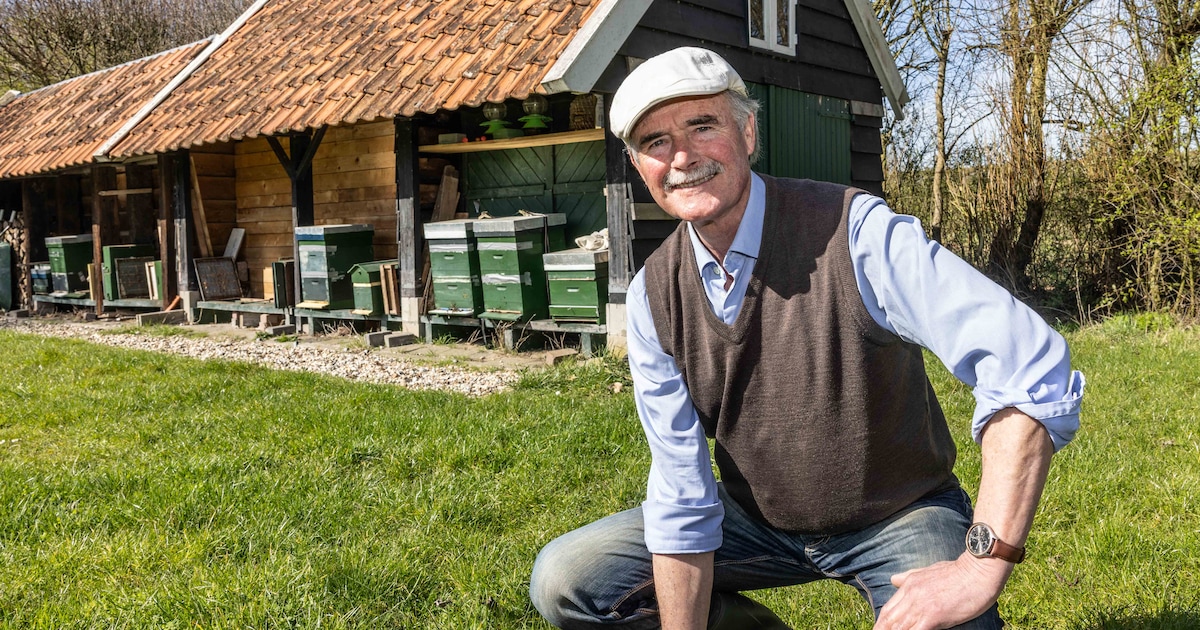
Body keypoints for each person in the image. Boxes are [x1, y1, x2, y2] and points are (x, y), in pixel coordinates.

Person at [529, 47, 1084, 630]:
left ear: (747, 132)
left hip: (901, 514)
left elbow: (1028, 364)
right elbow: (681, 493)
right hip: (752, 522)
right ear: (639, 167)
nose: (683, 157)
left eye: (702, 125)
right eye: (655, 142)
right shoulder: (652, 296)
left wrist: (980, 566)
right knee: (567, 580)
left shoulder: (858, 234)